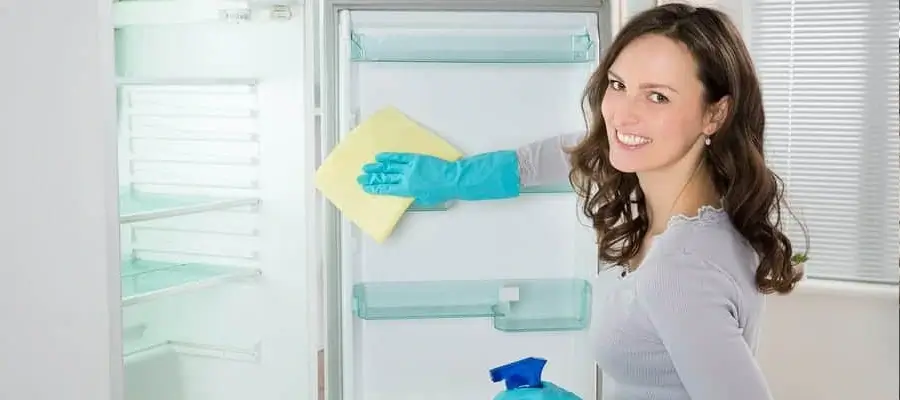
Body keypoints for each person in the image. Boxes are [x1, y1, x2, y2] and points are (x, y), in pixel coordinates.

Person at [357, 4, 807, 400]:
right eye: (618, 84)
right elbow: (565, 155)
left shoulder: (680, 270)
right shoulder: (697, 201)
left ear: (715, 113)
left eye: (657, 96)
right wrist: (455, 178)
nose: (622, 113)